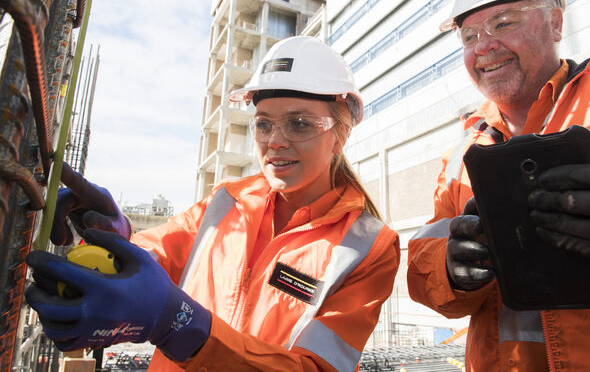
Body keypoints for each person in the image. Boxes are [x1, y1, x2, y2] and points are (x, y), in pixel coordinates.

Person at [26, 36, 400, 371]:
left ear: (340, 135)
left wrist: (183, 327)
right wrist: (111, 234)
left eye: (299, 124)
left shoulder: (369, 247)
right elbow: (156, 258)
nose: (275, 141)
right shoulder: (227, 201)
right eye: (264, 123)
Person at [406, 0, 590, 372]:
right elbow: (422, 265)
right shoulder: (464, 151)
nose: (484, 46)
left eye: (504, 23)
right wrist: (451, 268)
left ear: (556, 23)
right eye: (468, 36)